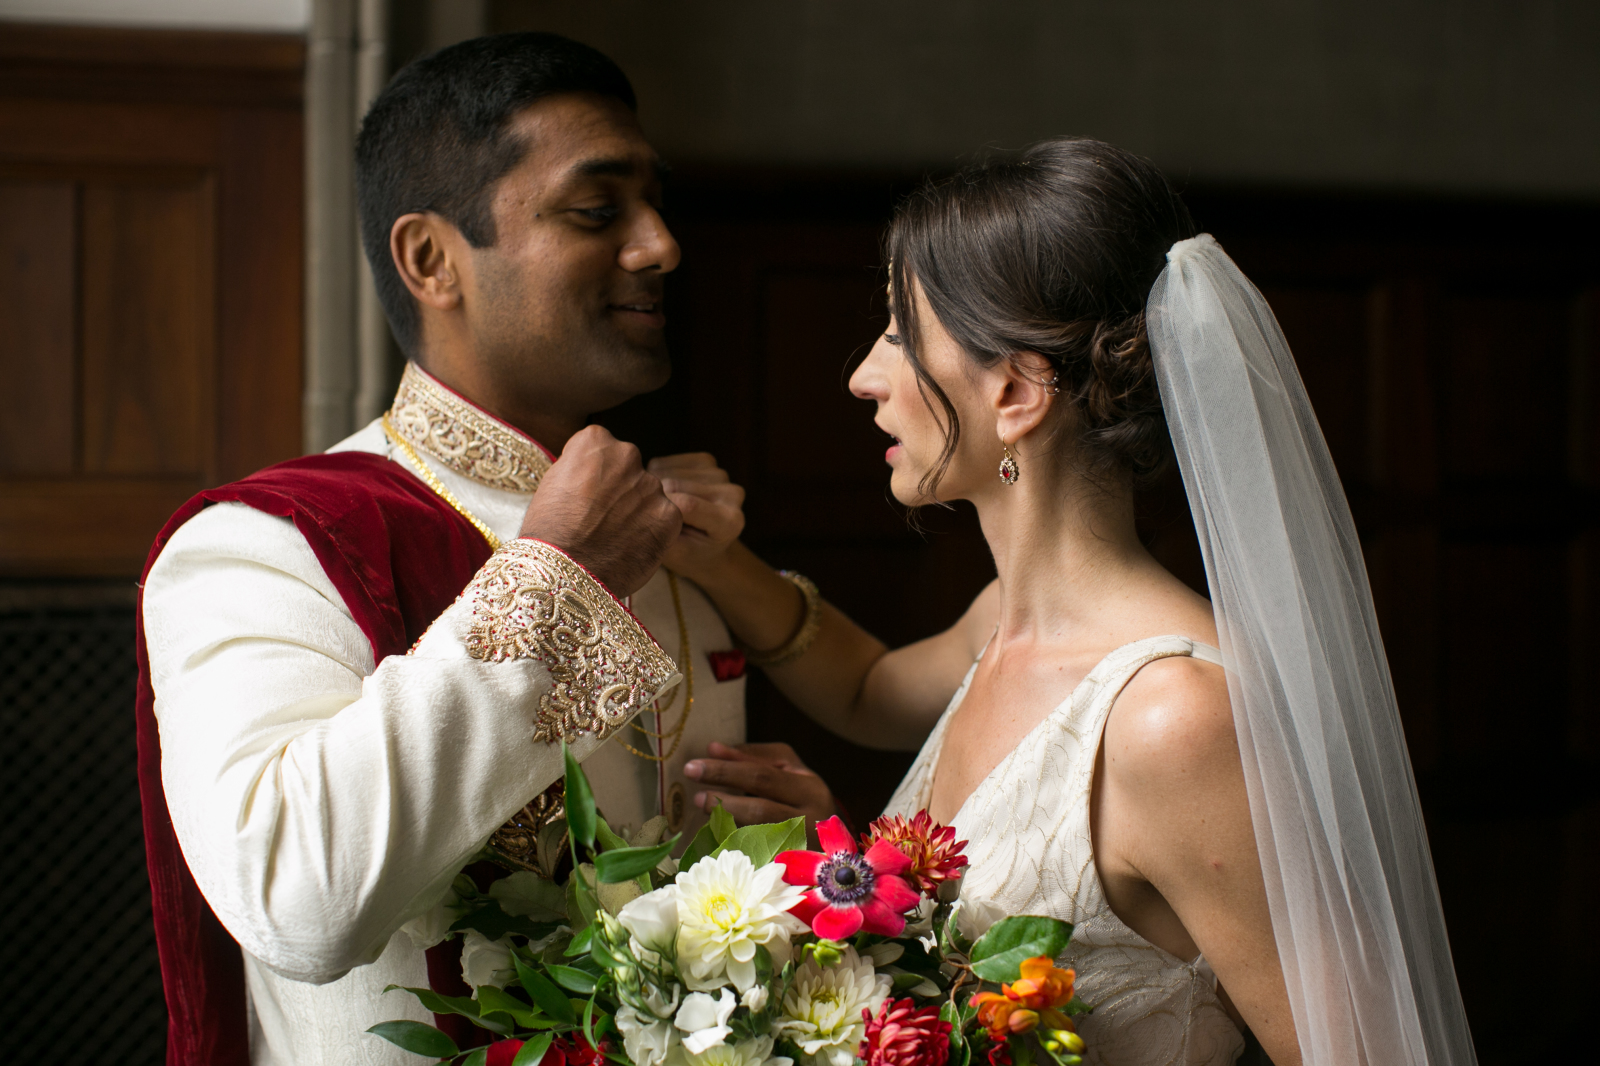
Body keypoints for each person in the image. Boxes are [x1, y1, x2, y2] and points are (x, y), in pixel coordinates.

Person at [664, 140, 1477, 1066]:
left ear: (1014, 392)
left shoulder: (1174, 720)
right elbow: (864, 690)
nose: (864, 377)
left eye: (900, 333)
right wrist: (716, 563)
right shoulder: (998, 621)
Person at [137, 33, 759, 1066]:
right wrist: (557, 577)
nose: (661, 246)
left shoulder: (675, 535)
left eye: (655, 205)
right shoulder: (264, 545)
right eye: (596, 210)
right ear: (431, 259)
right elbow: (297, 902)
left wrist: (782, 853)